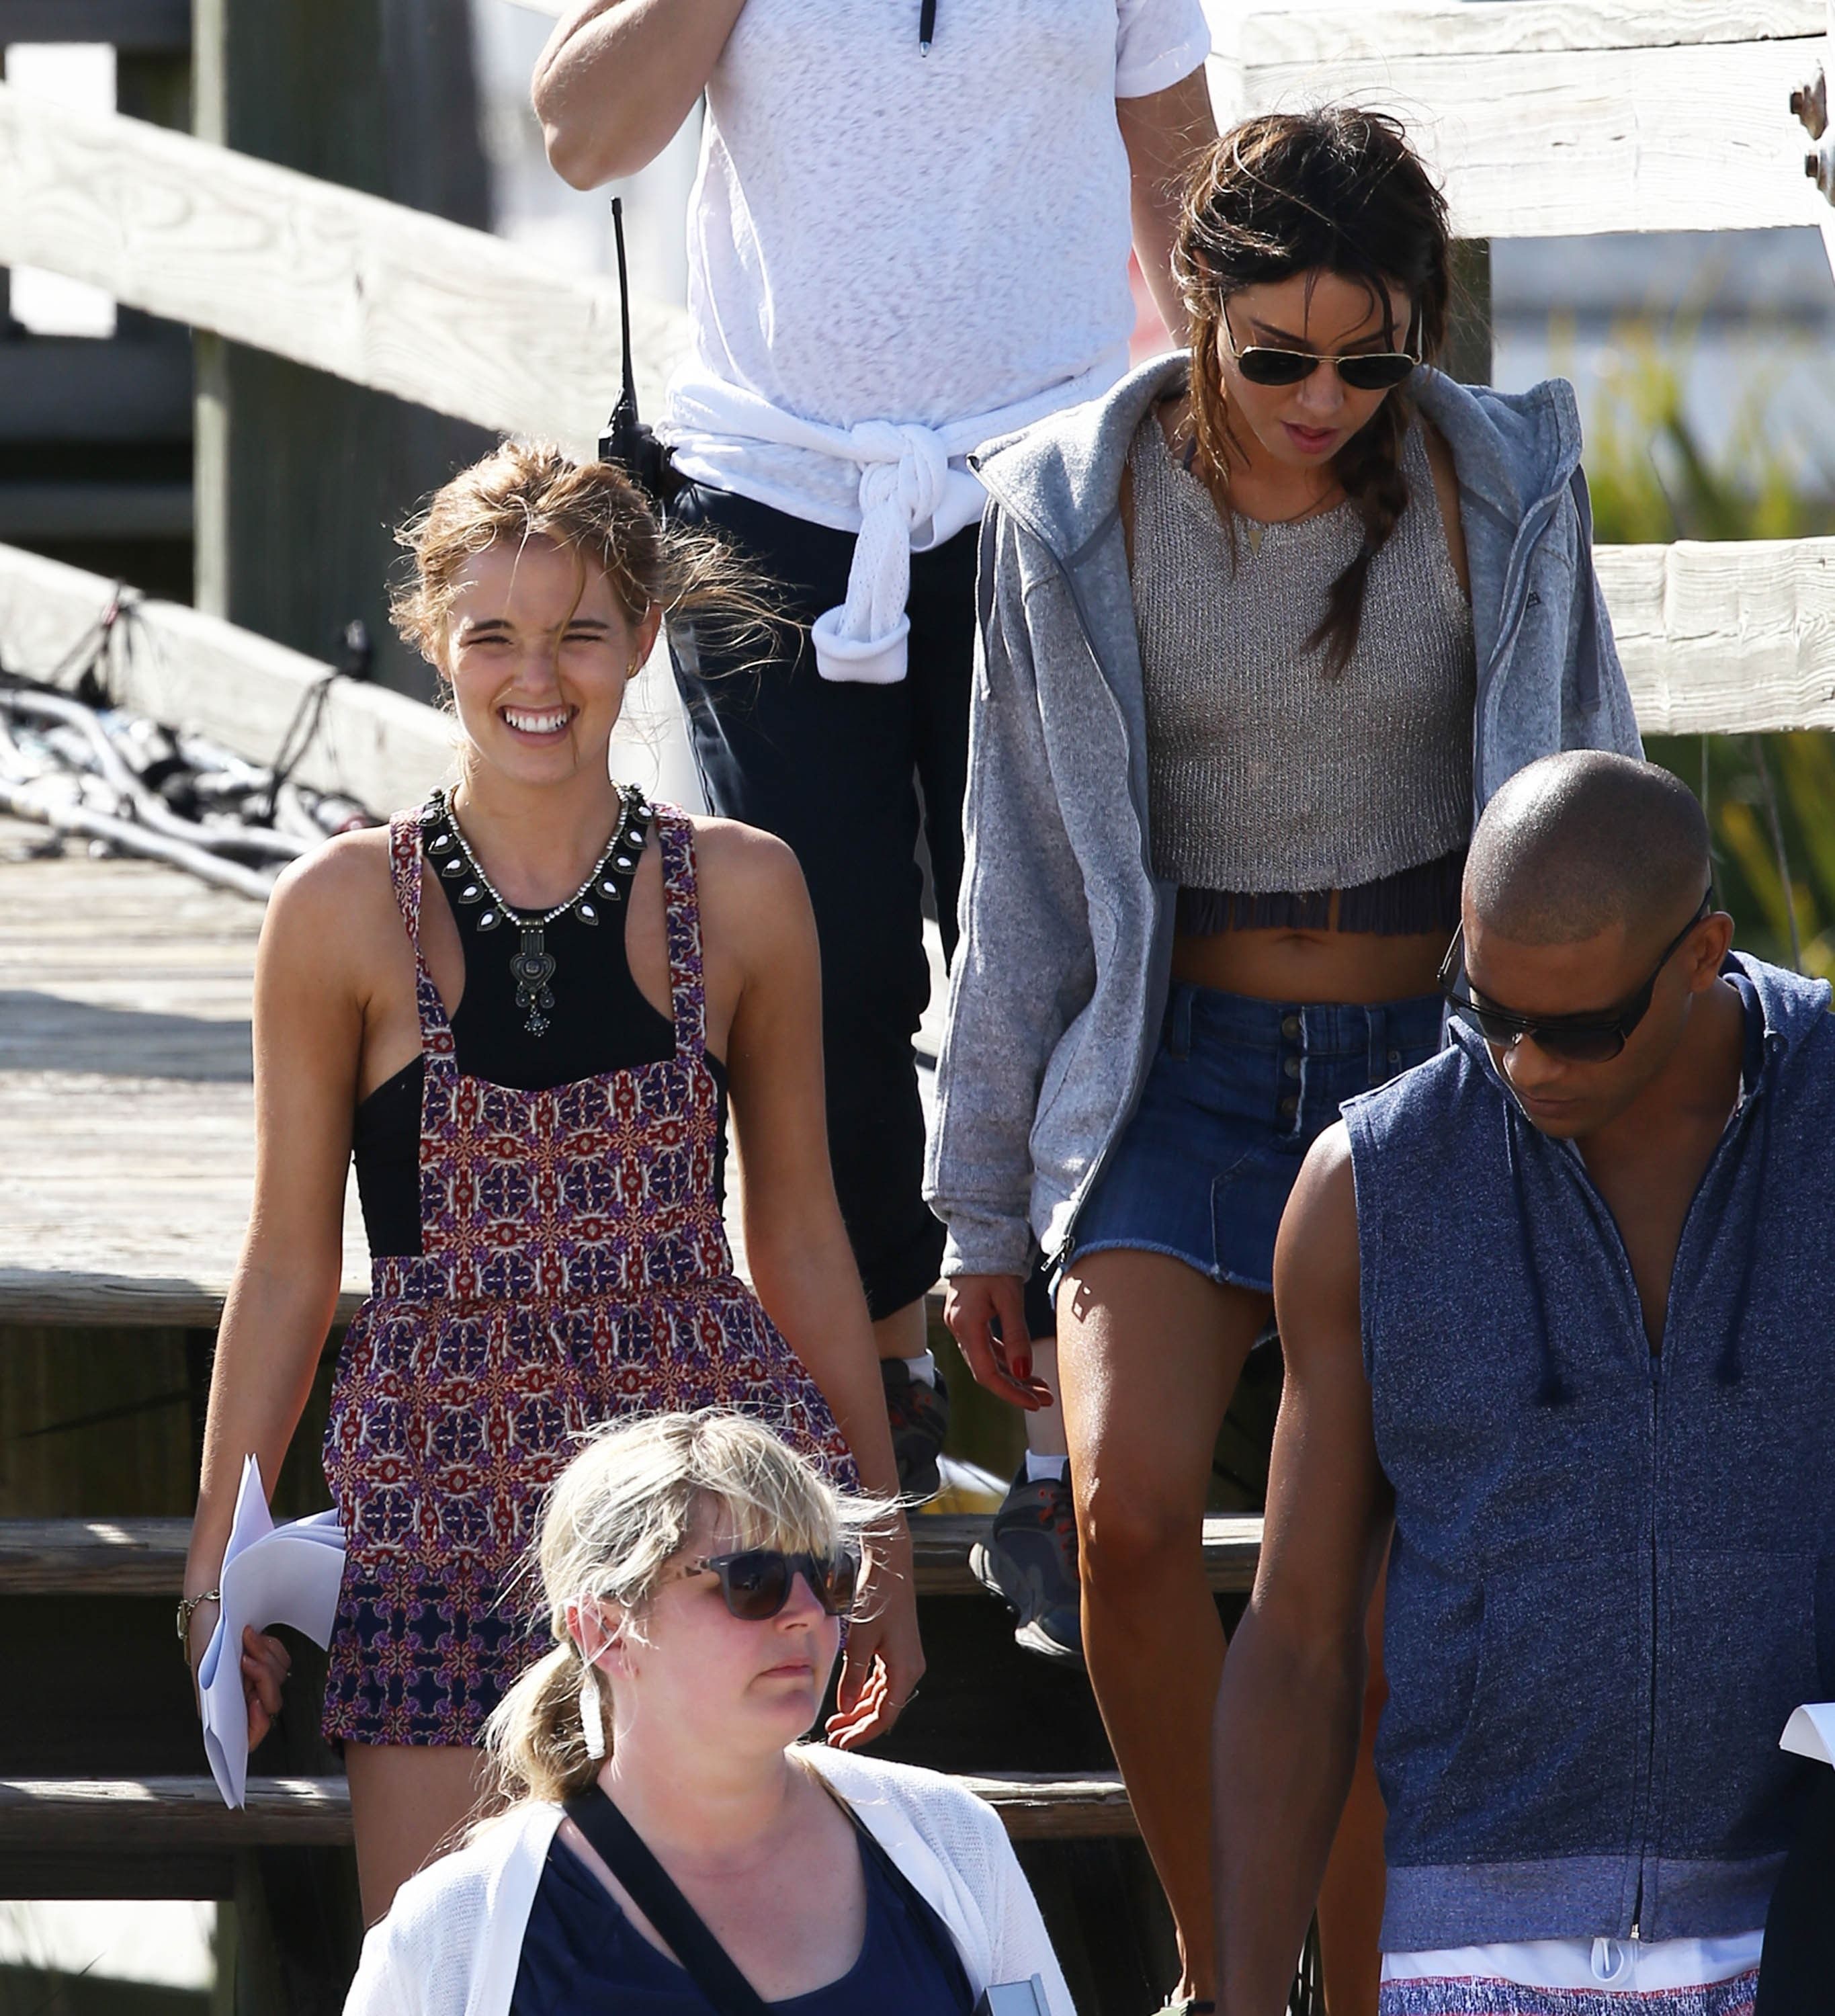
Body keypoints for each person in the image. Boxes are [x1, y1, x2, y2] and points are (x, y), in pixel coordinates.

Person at [928, 110, 1642, 2013]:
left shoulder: (1501, 486)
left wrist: (1633, 1114)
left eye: (1370, 360)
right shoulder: (1067, 510)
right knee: (1120, 1517)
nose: (1324, 400)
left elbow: (1596, 797)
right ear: (1193, 304)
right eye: (1276, 357)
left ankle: (1361, 1985)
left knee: (1376, 1606)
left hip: (1429, 1080)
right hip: (1171, 1067)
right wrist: (979, 1207)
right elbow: (1021, 877)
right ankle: (1220, 1966)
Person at [182, 445, 922, 1924]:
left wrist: (876, 1541)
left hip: (699, 1484)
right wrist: (216, 1562)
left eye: (581, 632)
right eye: (495, 636)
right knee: (443, 1962)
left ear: (643, 635)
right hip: (433, 1474)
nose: (538, 677)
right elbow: (285, 1266)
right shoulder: (337, 908)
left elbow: (796, 1236)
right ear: (432, 637)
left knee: (709, 1958)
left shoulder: (745, 887)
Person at [530, 0, 1218, 1537]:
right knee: (815, 971)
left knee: (1061, 963)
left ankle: (1067, 1444)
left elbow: (1183, 182)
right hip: (765, 496)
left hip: (1051, 491)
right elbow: (581, 134)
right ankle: (871, 1409)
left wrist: (1259, 449)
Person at [1212, 751, 1835, 2015]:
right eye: (1488, 1011)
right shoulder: (1371, 1189)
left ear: (1701, 952)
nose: (1525, 1064)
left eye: (1580, 1029)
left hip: (1799, 1920)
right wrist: (1241, 1998)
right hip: (1472, 1953)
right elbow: (1297, 1641)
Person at [342, 1408, 1074, 2016]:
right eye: (751, 1581)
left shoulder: (950, 1841)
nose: (805, 1612)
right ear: (603, 1631)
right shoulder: (462, 1927)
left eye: (828, 1575)